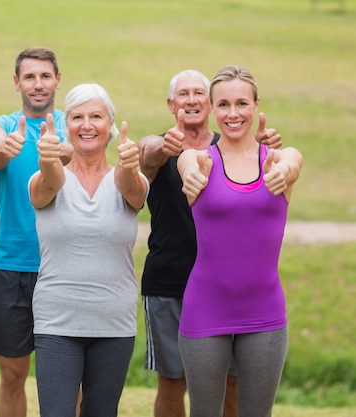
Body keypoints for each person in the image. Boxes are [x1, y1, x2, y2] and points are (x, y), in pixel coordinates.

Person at [138, 69, 282, 417]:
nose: (191, 100)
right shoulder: (165, 146)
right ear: (172, 104)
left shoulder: (231, 146)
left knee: (233, 384)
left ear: (211, 104)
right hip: (170, 282)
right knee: (172, 382)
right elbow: (147, 156)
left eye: (198, 93)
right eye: (182, 95)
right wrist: (167, 150)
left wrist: (267, 149)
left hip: (231, 289)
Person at [176, 64, 303, 417]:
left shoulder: (277, 160)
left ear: (257, 105)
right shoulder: (199, 160)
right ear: (213, 109)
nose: (233, 113)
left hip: (264, 314)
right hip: (205, 309)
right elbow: (186, 165)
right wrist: (189, 177)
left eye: (242, 103)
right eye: (224, 104)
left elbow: (294, 159)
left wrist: (284, 170)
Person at [29, 83, 149, 417]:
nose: (86, 124)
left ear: (110, 124)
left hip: (113, 324)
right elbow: (51, 182)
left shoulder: (130, 181)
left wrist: (128, 164)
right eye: (77, 117)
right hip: (57, 323)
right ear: (66, 124)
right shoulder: (43, 181)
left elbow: (130, 188)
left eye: (96, 116)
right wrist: (48, 159)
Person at [0, 47, 72, 417]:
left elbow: (96, 141)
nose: (38, 84)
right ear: (17, 82)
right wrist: (5, 147)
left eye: (45, 76)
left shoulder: (74, 122)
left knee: (69, 377)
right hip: (12, 266)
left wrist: (65, 150)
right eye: (29, 77)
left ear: (57, 80)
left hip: (65, 267)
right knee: (12, 375)